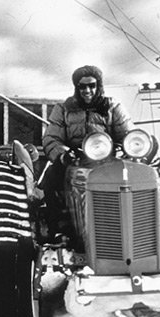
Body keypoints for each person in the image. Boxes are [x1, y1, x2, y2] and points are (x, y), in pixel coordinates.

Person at [41, 65, 134, 237]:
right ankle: (56, 229)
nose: (87, 90)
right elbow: (51, 138)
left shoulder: (112, 107)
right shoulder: (63, 109)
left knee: (142, 179)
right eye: (82, 86)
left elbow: (127, 134)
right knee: (50, 180)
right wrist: (63, 154)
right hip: (75, 159)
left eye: (91, 85)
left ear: (99, 86)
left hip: (107, 160)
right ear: (76, 88)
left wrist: (122, 149)